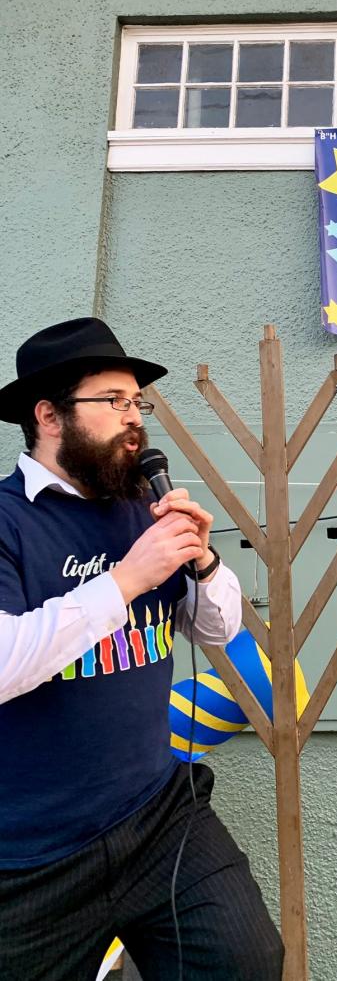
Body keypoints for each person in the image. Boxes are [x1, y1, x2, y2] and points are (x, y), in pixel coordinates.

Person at [0, 317, 284, 981]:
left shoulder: (139, 508)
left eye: (139, 402)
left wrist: (204, 560)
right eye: (115, 401)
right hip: (31, 853)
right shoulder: (7, 520)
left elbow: (216, 629)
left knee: (245, 961)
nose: (136, 418)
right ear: (49, 414)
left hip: (159, 816)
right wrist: (127, 578)